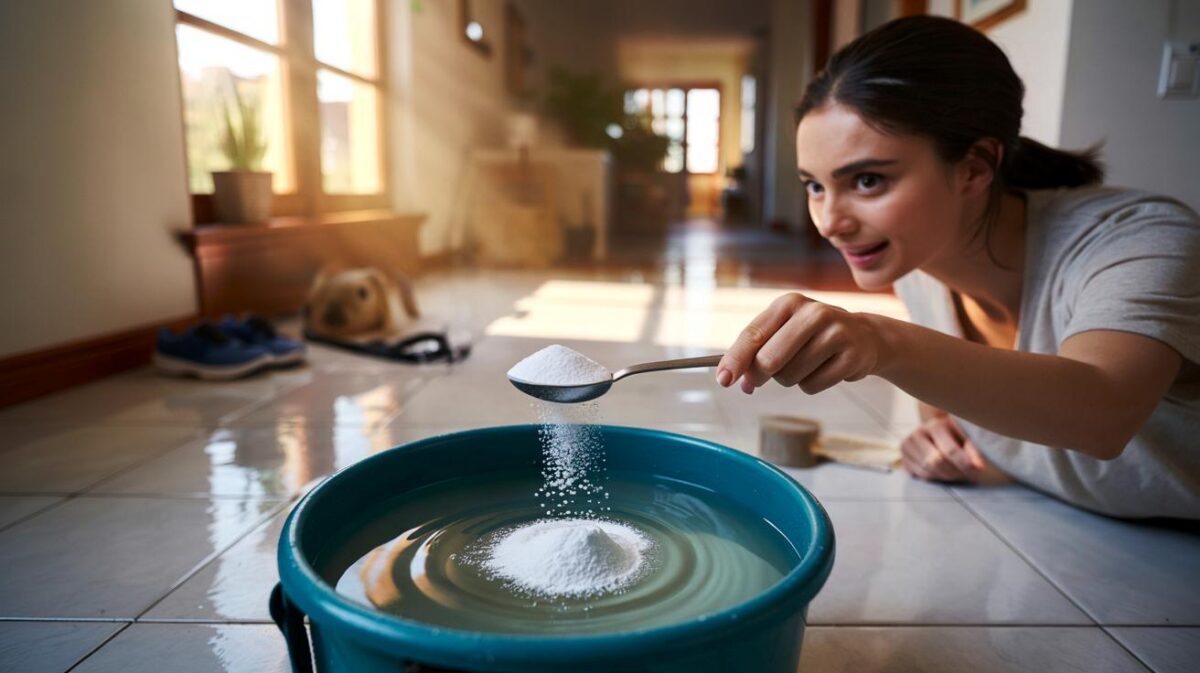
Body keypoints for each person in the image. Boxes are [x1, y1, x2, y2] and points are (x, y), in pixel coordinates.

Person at [715, 15, 1199, 520]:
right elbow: (960, 407)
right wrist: (936, 436)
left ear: (974, 167)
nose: (829, 223)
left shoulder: (1139, 238)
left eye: (866, 181)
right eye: (815, 185)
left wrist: (885, 342)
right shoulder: (918, 263)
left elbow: (1104, 413)